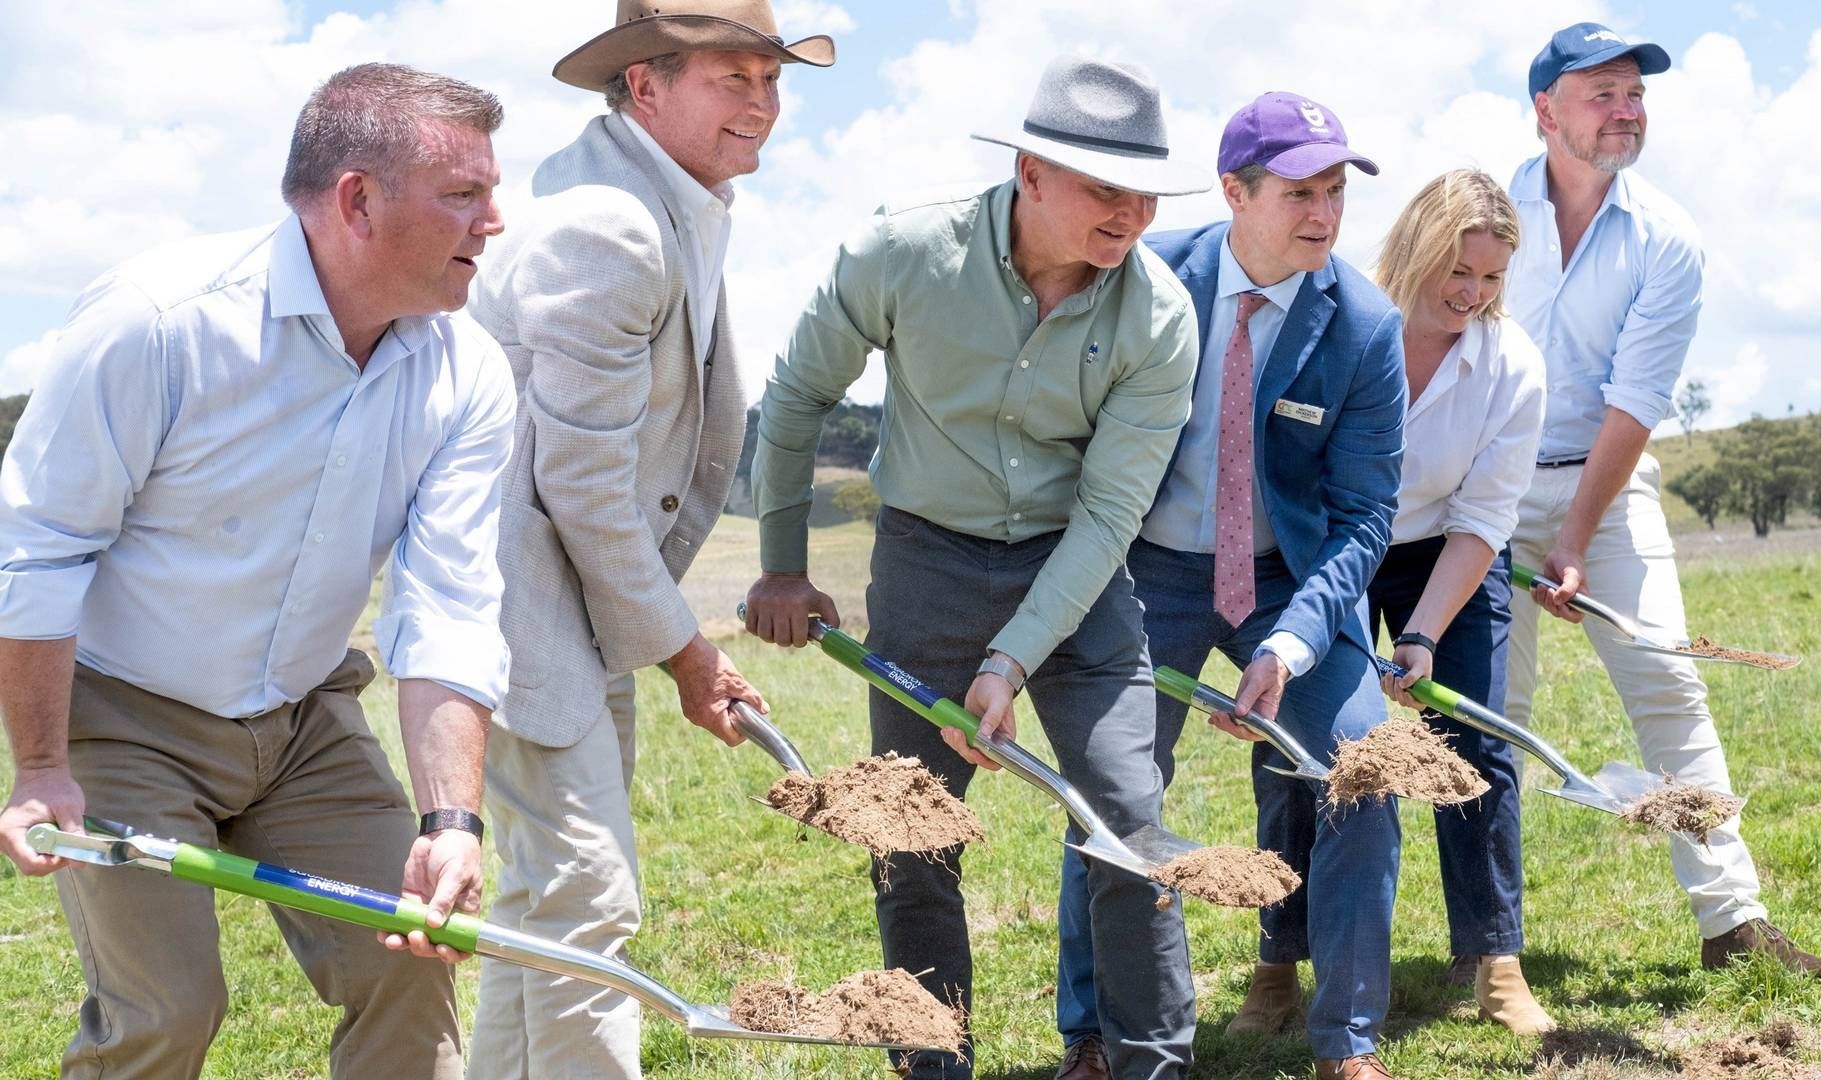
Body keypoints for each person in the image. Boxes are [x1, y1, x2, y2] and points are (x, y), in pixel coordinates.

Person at [0, 63, 513, 1077]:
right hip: (125, 719)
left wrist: (451, 821)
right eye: (465, 193)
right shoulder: (158, 323)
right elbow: (40, 548)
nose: (494, 221)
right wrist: (42, 766)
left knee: (411, 959)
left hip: (303, 717)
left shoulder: (466, 370)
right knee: (168, 1011)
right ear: (357, 201)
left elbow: (450, 604)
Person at [747, 55, 1206, 1080]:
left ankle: (1151, 1066)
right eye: (1103, 188)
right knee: (911, 837)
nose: (1130, 215)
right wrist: (782, 565)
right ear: (1031, 172)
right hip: (926, 563)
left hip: (1078, 581)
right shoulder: (902, 250)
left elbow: (1110, 512)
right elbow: (794, 397)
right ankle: (932, 1063)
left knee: (1125, 822)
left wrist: (1010, 660)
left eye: (1143, 193)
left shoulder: (1162, 318)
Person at [462, 2, 835, 1075]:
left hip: (577, 590)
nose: (762, 104)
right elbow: (578, 479)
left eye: (772, 79)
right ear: (645, 85)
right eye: (733, 78)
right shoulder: (611, 224)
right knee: (587, 892)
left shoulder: (659, 195)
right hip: (528, 594)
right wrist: (687, 652)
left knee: (545, 896)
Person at [1055, 92, 1408, 1080]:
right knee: (1109, 791)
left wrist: (1291, 643)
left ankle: (1347, 1043)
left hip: (1292, 581)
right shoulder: (1144, 278)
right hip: (1149, 571)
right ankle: (1090, 1034)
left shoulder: (1365, 329)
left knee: (1364, 768)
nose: (1324, 215)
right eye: (1300, 191)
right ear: (1233, 191)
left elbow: (1364, 518)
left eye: (1336, 191)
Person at [1503, 22, 1821, 977]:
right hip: (1479, 488)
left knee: (1666, 680)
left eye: (1634, 93)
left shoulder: (1668, 238)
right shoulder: (1485, 212)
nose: (1625, 108)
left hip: (1602, 483)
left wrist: (1574, 537)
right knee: (1487, 712)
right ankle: (1487, 943)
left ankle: (1732, 923)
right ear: (1545, 112)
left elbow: (1635, 401)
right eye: (1601, 92)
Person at [1365, 170, 1550, 1031]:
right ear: (1416, 250)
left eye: (1491, 280)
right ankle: (1279, 963)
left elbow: (1482, 518)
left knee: (1473, 744)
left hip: (1448, 547)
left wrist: (1425, 634)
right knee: (1303, 744)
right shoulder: (1345, 329)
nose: (1472, 295)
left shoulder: (1511, 364)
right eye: (1457, 272)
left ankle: (1495, 960)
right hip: (1335, 542)